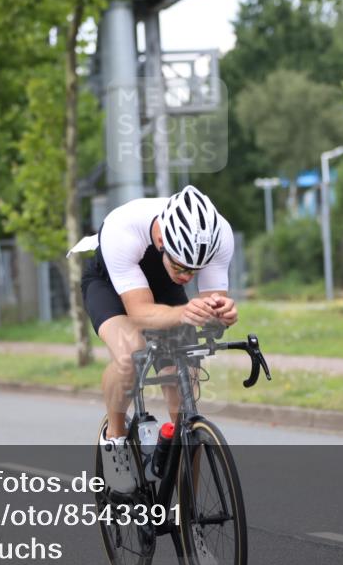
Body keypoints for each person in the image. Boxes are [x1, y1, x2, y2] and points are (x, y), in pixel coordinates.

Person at [78, 185, 237, 482]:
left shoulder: (219, 235)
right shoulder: (123, 228)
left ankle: (183, 505)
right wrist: (184, 312)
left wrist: (222, 315)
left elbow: (211, 307)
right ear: (163, 240)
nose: (188, 277)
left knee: (185, 378)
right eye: (181, 266)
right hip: (109, 285)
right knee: (131, 354)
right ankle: (115, 438)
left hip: (163, 288)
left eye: (195, 269)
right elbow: (139, 313)